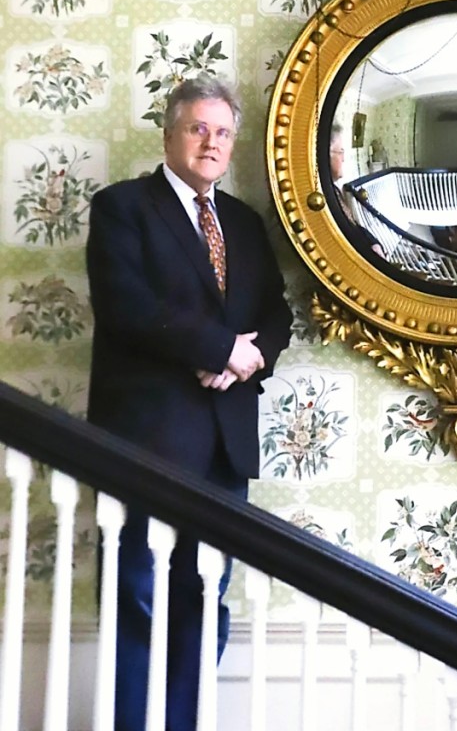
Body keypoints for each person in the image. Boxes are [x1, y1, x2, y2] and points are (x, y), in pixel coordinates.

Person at [86, 75, 292, 731]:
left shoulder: (243, 223)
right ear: (170, 133)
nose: (211, 142)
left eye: (223, 132)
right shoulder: (121, 208)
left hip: (224, 446)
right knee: (137, 597)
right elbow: (127, 308)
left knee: (206, 599)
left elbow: (275, 317)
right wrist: (219, 348)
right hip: (144, 441)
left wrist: (247, 358)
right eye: (198, 128)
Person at [329, 125, 384, 257]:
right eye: (340, 151)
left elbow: (353, 226)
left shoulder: (334, 190)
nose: (343, 158)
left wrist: (374, 243)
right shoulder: (323, 198)